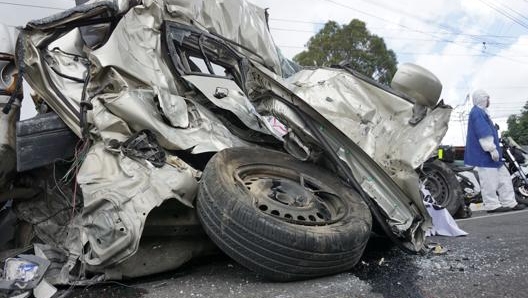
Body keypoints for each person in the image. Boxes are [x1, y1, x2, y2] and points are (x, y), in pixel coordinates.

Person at [464, 89, 525, 213]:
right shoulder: (477, 112)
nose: (489, 101)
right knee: (489, 181)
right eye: (487, 98)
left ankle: (509, 202)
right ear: (482, 99)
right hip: (485, 155)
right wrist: (491, 149)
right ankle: (492, 205)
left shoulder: (483, 112)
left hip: (492, 156)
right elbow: (483, 132)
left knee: (504, 178)